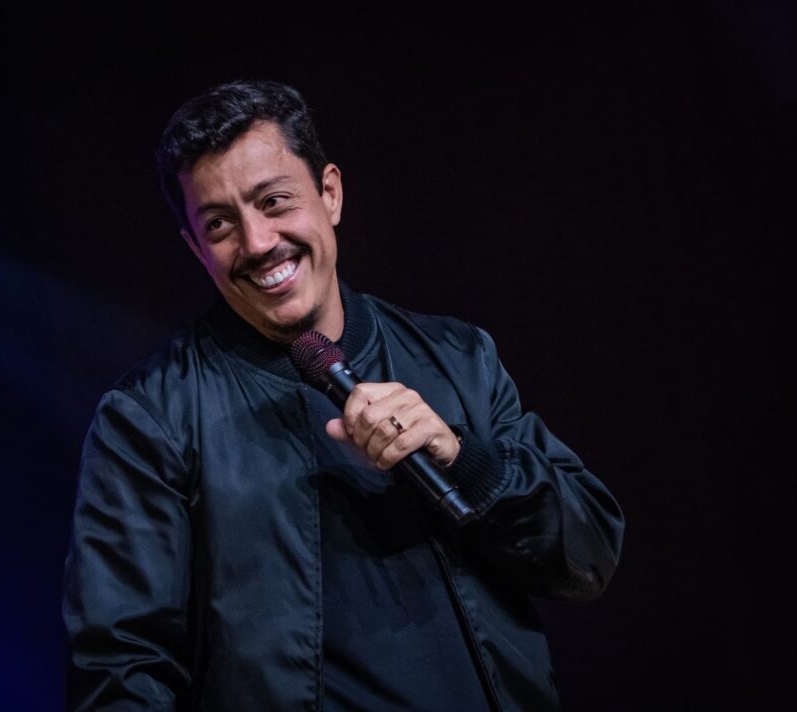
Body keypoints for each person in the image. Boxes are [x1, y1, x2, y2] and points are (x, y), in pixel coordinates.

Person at [61, 79, 625, 711]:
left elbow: (588, 556)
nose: (257, 242)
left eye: (274, 201)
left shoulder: (458, 356)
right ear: (196, 248)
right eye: (219, 224)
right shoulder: (150, 419)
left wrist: (463, 458)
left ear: (329, 193)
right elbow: (121, 668)